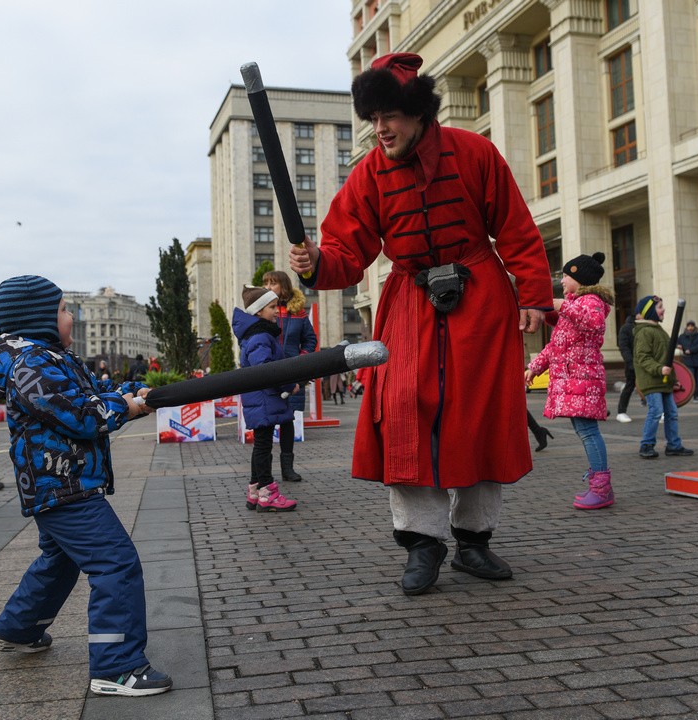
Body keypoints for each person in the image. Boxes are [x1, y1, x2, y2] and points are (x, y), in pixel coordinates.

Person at [289, 53, 553, 595]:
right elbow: (348, 252)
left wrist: (535, 296)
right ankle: (422, 543)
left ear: (418, 113)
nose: (380, 128)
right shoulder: (367, 176)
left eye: (389, 115)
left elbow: (517, 229)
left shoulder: (476, 152)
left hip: (480, 299)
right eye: (373, 117)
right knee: (403, 408)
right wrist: (317, 262)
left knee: (478, 413)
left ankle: (474, 542)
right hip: (408, 301)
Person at [0, 274, 172, 697]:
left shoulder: (50, 359)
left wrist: (127, 393)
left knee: (59, 560)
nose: (71, 316)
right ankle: (117, 667)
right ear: (38, 320)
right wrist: (125, 407)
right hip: (61, 483)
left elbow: (91, 393)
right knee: (115, 563)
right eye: (65, 310)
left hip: (64, 483)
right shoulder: (33, 366)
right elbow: (81, 416)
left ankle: (17, 628)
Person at [526, 253, 615, 509]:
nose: (562, 280)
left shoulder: (591, 301)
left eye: (566, 276)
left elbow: (595, 323)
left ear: (580, 278)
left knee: (588, 432)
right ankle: (599, 486)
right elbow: (556, 346)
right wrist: (534, 368)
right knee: (584, 431)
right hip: (575, 383)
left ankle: (602, 488)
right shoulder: (575, 306)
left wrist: (560, 305)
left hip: (583, 381)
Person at [232, 285, 299, 512]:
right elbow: (267, 369)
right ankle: (268, 493)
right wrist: (290, 385)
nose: (277, 311)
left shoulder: (257, 334)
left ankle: (255, 491)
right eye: (272, 307)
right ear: (258, 311)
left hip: (261, 399)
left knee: (260, 446)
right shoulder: (261, 336)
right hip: (264, 399)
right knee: (263, 447)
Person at [263, 270, 316, 482]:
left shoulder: (299, 313)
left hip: (292, 374)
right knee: (265, 423)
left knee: (287, 421)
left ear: (283, 287)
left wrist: (300, 361)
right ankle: (264, 472)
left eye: (272, 283)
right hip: (267, 372)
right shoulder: (262, 312)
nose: (267, 287)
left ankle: (288, 469)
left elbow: (310, 340)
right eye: (265, 283)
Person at [633, 295, 694, 459]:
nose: (663, 309)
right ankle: (646, 445)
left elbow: (666, 359)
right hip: (652, 381)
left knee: (672, 413)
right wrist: (659, 369)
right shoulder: (645, 332)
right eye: (660, 307)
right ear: (651, 311)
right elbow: (643, 358)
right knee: (656, 411)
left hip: (664, 381)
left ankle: (674, 445)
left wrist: (673, 379)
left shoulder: (659, 331)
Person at [615, 312, 637, 422]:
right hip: (632, 364)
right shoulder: (626, 328)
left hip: (645, 363)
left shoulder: (643, 327)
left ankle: (659, 411)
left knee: (653, 387)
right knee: (629, 386)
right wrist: (630, 363)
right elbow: (624, 347)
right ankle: (621, 412)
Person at [678, 320, 698, 403]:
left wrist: (691, 350)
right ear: (686, 327)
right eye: (689, 326)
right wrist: (678, 346)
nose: (690, 328)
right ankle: (692, 396)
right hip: (688, 361)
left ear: (694, 327)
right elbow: (677, 343)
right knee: (692, 379)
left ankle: (697, 396)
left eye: (692, 326)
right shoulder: (682, 336)